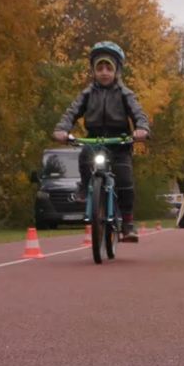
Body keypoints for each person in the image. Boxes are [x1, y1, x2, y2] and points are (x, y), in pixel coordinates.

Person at [53, 41, 150, 241]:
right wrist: (62, 129)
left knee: (124, 180)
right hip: (94, 139)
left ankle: (128, 224)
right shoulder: (87, 94)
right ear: (93, 71)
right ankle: (86, 185)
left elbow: (138, 113)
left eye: (109, 68)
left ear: (116, 71)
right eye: (100, 68)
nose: (104, 72)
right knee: (84, 157)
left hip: (120, 140)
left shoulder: (125, 94)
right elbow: (71, 112)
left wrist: (142, 128)